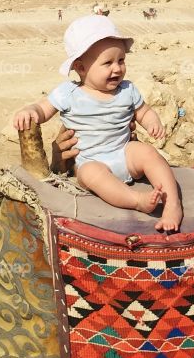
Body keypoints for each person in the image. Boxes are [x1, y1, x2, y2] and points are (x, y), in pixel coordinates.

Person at [13, 15, 182, 233]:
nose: (117, 69)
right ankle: (136, 200)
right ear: (81, 68)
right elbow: (42, 109)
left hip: (124, 152)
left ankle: (172, 205)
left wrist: (152, 122)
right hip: (92, 160)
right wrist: (29, 110)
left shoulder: (127, 90)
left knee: (148, 153)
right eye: (108, 63)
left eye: (121, 60)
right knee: (90, 174)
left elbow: (143, 111)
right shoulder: (69, 93)